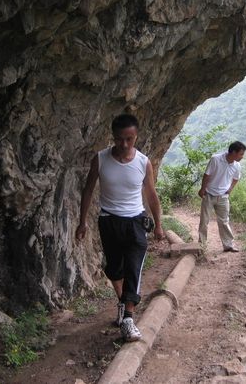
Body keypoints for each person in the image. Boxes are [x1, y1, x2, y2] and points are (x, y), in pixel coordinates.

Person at [75, 114, 164, 342]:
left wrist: (158, 225)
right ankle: (123, 303)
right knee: (115, 269)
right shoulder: (100, 159)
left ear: (136, 137)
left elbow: (151, 194)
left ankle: (128, 319)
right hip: (109, 220)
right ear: (113, 136)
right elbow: (88, 189)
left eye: (129, 139)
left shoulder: (143, 162)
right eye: (119, 139)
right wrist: (83, 221)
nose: (124, 144)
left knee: (133, 268)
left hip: (136, 222)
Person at [198, 141, 246, 252]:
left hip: (223, 197)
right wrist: (202, 189)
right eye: (241, 154)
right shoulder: (216, 159)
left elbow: (236, 178)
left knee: (224, 221)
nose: (242, 157)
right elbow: (207, 175)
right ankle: (201, 246)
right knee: (204, 221)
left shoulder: (237, 165)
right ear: (233, 152)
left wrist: (230, 189)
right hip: (209, 194)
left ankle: (228, 245)